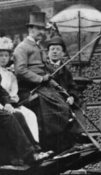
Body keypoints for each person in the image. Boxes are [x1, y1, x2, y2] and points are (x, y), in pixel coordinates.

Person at [13, 12, 86, 153]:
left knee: (65, 105)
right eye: (38, 29)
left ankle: (67, 140)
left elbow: (45, 69)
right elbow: (20, 71)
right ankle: (55, 142)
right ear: (30, 30)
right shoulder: (22, 47)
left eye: (43, 29)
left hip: (44, 84)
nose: (41, 32)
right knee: (57, 108)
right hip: (31, 87)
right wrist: (40, 79)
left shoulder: (39, 47)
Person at [0, 37, 39, 142]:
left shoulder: (10, 75)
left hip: (10, 103)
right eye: (1, 55)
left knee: (30, 115)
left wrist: (14, 98)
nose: (4, 58)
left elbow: (13, 92)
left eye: (6, 56)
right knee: (17, 116)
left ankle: (34, 145)